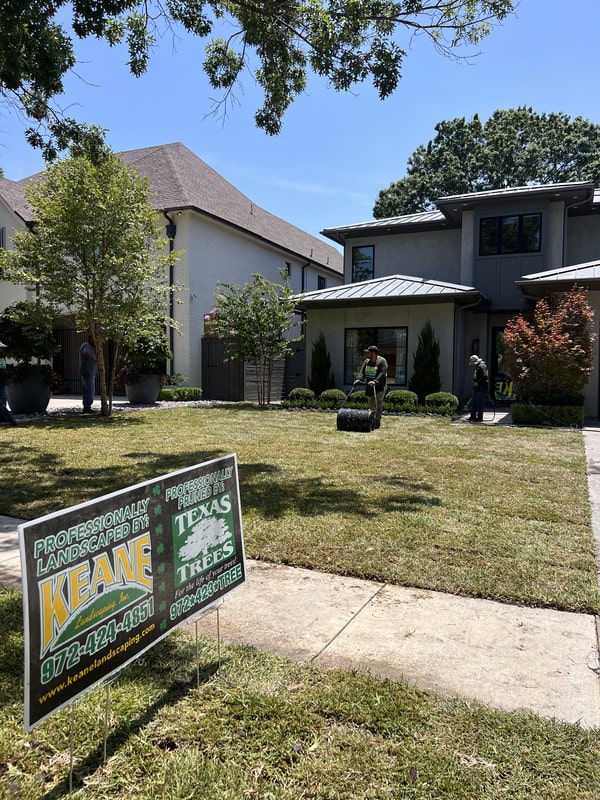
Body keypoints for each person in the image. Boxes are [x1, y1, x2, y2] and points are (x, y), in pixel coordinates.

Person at [356, 345, 388, 428]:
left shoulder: (382, 361)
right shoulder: (367, 361)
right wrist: (359, 378)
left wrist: (375, 381)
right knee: (371, 404)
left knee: (378, 404)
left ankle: (377, 422)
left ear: (374, 353)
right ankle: (371, 419)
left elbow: (382, 373)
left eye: (369, 353)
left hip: (380, 387)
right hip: (370, 387)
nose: (368, 354)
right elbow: (362, 371)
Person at [79, 333, 98, 413]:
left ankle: (87, 406)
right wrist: (95, 360)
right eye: (94, 339)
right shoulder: (86, 346)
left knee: (88, 389)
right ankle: (87, 407)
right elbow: (86, 354)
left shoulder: (91, 347)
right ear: (90, 339)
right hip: (87, 371)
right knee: (89, 389)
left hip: (90, 371)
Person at [0, 339, 17, 425]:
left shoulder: (2, 357)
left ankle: (3, 418)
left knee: (3, 399)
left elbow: (3, 369)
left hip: (2, 382)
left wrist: (7, 378)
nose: (2, 349)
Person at [468, 354, 488, 422]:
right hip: (476, 388)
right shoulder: (478, 367)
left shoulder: (481, 366)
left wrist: (478, 383)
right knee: (474, 402)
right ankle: (473, 416)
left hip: (480, 388)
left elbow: (484, 377)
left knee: (479, 402)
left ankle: (479, 417)